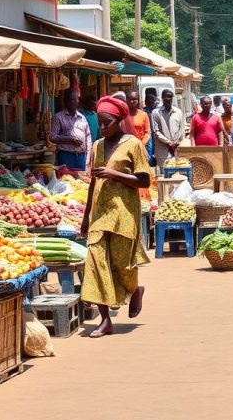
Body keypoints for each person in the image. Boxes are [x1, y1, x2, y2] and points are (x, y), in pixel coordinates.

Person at [80, 96, 151, 338]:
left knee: (122, 264)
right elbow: (92, 183)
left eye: (106, 122)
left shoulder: (133, 145)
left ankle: (135, 289)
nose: (102, 127)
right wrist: (86, 215)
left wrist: (114, 173)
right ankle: (105, 319)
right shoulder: (97, 146)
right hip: (100, 214)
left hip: (124, 213)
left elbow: (144, 180)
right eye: (99, 123)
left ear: (119, 120)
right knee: (96, 262)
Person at [121, 91, 153, 202]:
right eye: (131, 99)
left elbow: (148, 132)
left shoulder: (143, 115)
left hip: (140, 149)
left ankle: (143, 198)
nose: (133, 101)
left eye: (135, 99)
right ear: (126, 101)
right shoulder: (123, 115)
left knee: (141, 173)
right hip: (126, 150)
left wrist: (141, 144)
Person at [49, 89, 92, 171]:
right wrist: (70, 139)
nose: (73, 102)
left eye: (75, 99)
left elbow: (88, 137)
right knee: (66, 180)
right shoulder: (58, 117)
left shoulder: (82, 117)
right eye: (71, 100)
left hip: (81, 156)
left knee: (81, 181)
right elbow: (52, 137)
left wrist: (88, 157)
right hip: (65, 155)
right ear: (65, 101)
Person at [151, 89, 185, 169]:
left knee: (177, 171)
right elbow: (156, 131)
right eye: (165, 97)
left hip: (175, 148)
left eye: (169, 97)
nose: (167, 99)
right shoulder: (156, 113)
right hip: (162, 149)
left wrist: (175, 143)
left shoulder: (178, 112)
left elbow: (181, 129)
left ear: (172, 98)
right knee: (164, 172)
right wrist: (169, 143)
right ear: (162, 98)